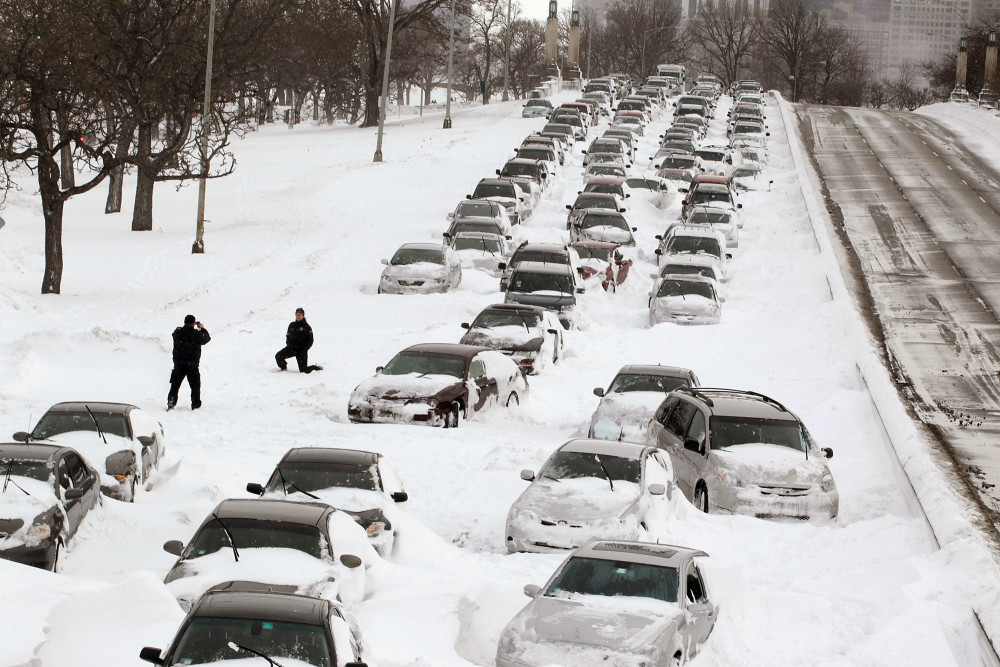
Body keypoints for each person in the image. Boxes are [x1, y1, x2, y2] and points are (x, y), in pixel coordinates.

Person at [168, 315, 211, 410]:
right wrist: (202, 329)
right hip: (192, 365)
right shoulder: (196, 334)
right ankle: (195, 405)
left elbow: (174, 334)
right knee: (195, 387)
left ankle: (171, 402)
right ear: (193, 323)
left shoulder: (178, 332)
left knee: (175, 386)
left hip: (178, 364)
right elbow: (207, 339)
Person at [275, 307, 322, 373]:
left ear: (303, 316)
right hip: (291, 348)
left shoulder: (307, 327)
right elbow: (288, 336)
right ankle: (284, 369)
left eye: (299, 314)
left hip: (301, 351)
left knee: (304, 370)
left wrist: (303, 349)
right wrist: (289, 344)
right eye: (297, 314)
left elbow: (310, 341)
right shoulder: (292, 325)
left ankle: (316, 367)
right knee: (278, 356)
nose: (298, 316)